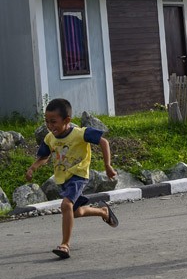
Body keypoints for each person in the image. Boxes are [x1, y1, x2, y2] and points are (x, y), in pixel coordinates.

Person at [25, 98, 119, 259]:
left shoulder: (80, 133)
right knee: (75, 212)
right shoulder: (50, 138)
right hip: (63, 179)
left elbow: (103, 142)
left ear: (67, 120)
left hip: (78, 175)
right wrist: (33, 167)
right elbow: (44, 156)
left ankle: (65, 245)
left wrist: (107, 165)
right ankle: (103, 212)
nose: (50, 125)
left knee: (66, 204)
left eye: (53, 121)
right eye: (47, 121)